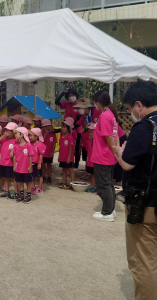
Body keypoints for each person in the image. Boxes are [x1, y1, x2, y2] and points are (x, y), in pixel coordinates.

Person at [112, 80, 157, 300]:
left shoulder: (145, 126)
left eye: (129, 110)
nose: (130, 114)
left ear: (139, 105)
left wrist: (118, 152)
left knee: (144, 262)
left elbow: (128, 163)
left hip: (146, 205)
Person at [91, 90, 119, 222]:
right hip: (107, 156)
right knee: (108, 184)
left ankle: (107, 212)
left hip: (103, 156)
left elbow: (108, 137)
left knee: (103, 185)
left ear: (98, 103)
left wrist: (114, 151)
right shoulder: (110, 115)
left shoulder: (105, 116)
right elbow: (114, 135)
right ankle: (110, 209)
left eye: (95, 103)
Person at [0, 122, 18, 199]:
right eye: (6, 130)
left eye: (10, 131)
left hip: (10, 163)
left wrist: (13, 151)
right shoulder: (4, 138)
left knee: (13, 178)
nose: (7, 132)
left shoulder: (15, 141)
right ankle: (6, 191)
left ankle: (16, 192)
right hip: (2, 162)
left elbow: (18, 150)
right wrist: (3, 135)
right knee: (4, 177)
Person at [12, 127, 33, 203]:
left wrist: (30, 166)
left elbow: (30, 156)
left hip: (26, 167)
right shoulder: (16, 145)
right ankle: (21, 195)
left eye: (16, 133)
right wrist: (14, 166)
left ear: (22, 135)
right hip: (18, 167)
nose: (15, 135)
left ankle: (28, 196)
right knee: (20, 181)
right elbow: (14, 156)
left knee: (28, 182)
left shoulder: (28, 145)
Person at [58, 119, 75, 189]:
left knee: (70, 170)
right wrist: (59, 156)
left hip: (68, 158)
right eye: (62, 127)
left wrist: (69, 157)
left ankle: (73, 183)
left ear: (68, 128)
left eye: (64, 127)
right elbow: (60, 147)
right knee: (64, 170)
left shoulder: (70, 137)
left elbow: (71, 148)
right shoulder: (61, 137)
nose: (62, 128)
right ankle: (64, 182)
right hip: (62, 157)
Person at [29, 128, 46, 194]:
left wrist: (39, 163)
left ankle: (40, 188)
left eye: (31, 135)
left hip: (37, 163)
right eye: (29, 135)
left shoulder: (40, 144)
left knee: (39, 175)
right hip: (32, 163)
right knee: (32, 175)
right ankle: (33, 187)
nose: (30, 137)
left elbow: (41, 154)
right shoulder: (30, 144)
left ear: (36, 136)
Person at [41, 119, 56, 185]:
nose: (47, 128)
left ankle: (49, 177)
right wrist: (45, 134)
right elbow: (41, 142)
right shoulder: (41, 133)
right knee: (43, 166)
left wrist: (52, 152)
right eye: (45, 126)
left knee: (49, 166)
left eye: (48, 126)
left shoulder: (53, 134)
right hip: (43, 153)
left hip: (49, 153)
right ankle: (43, 177)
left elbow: (54, 144)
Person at [85, 123, 97, 193]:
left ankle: (99, 187)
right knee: (92, 174)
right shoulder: (88, 141)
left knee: (98, 175)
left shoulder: (98, 142)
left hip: (97, 162)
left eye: (91, 132)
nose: (89, 134)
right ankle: (94, 186)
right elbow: (88, 152)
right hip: (90, 161)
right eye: (89, 132)